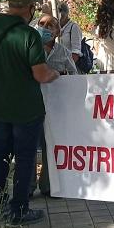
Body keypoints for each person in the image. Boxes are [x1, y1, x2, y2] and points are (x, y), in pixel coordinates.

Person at [0, 0, 59, 226]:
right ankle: (19, 210)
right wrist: (54, 74)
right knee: (25, 157)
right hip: (26, 109)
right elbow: (40, 75)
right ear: (30, 8)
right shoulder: (29, 35)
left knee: (0, 155)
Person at [30, 15, 76, 197]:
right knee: (29, 147)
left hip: (56, 109)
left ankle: (49, 186)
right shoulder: (30, 50)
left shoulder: (63, 52)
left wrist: (61, 74)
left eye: (50, 25)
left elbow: (74, 76)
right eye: (42, 24)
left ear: (58, 31)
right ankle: (27, 187)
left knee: (51, 145)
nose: (46, 28)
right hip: (31, 105)